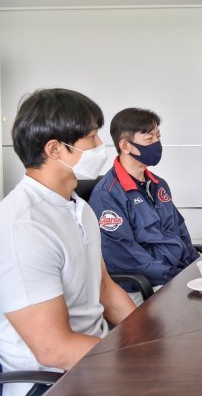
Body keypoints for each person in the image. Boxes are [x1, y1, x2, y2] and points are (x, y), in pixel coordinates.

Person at [0, 89, 136, 396]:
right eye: (91, 137)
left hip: (92, 358)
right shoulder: (24, 225)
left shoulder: (78, 207)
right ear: (55, 149)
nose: (101, 146)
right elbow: (53, 349)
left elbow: (104, 288)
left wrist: (151, 341)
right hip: (49, 382)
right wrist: (136, 363)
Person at [88, 108, 199, 305]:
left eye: (158, 137)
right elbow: (124, 256)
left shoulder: (158, 184)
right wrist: (178, 276)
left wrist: (196, 266)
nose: (157, 143)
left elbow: (179, 230)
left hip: (176, 276)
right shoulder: (107, 195)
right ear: (125, 145)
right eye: (149, 139)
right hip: (145, 285)